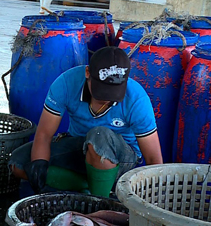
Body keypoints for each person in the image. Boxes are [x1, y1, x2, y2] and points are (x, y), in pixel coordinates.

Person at [9, 47, 163, 198]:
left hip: (121, 157)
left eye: (113, 92)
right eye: (101, 89)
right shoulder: (66, 83)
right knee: (19, 163)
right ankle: (90, 185)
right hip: (79, 145)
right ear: (87, 73)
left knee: (98, 136)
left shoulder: (137, 98)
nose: (106, 97)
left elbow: (153, 158)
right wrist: (39, 164)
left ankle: (99, 202)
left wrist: (156, 198)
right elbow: (44, 134)